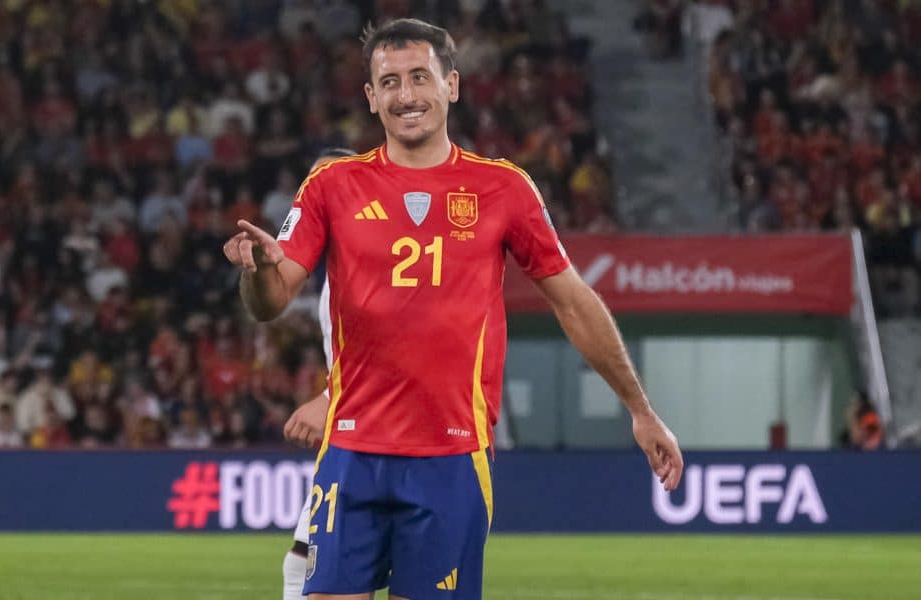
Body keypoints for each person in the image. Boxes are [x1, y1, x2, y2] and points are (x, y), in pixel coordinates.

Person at [223, 19, 683, 600]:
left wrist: (640, 410)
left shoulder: (505, 189)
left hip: (451, 454)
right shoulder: (330, 186)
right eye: (389, 82)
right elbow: (271, 303)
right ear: (370, 97)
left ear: (452, 86)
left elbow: (574, 301)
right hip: (350, 451)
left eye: (420, 77)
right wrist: (260, 271)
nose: (406, 95)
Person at [275, 147, 358, 600]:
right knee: (305, 558)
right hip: (350, 429)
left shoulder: (376, 263)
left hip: (379, 433)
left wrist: (329, 398)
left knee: (313, 562)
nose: (314, 193)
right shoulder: (332, 272)